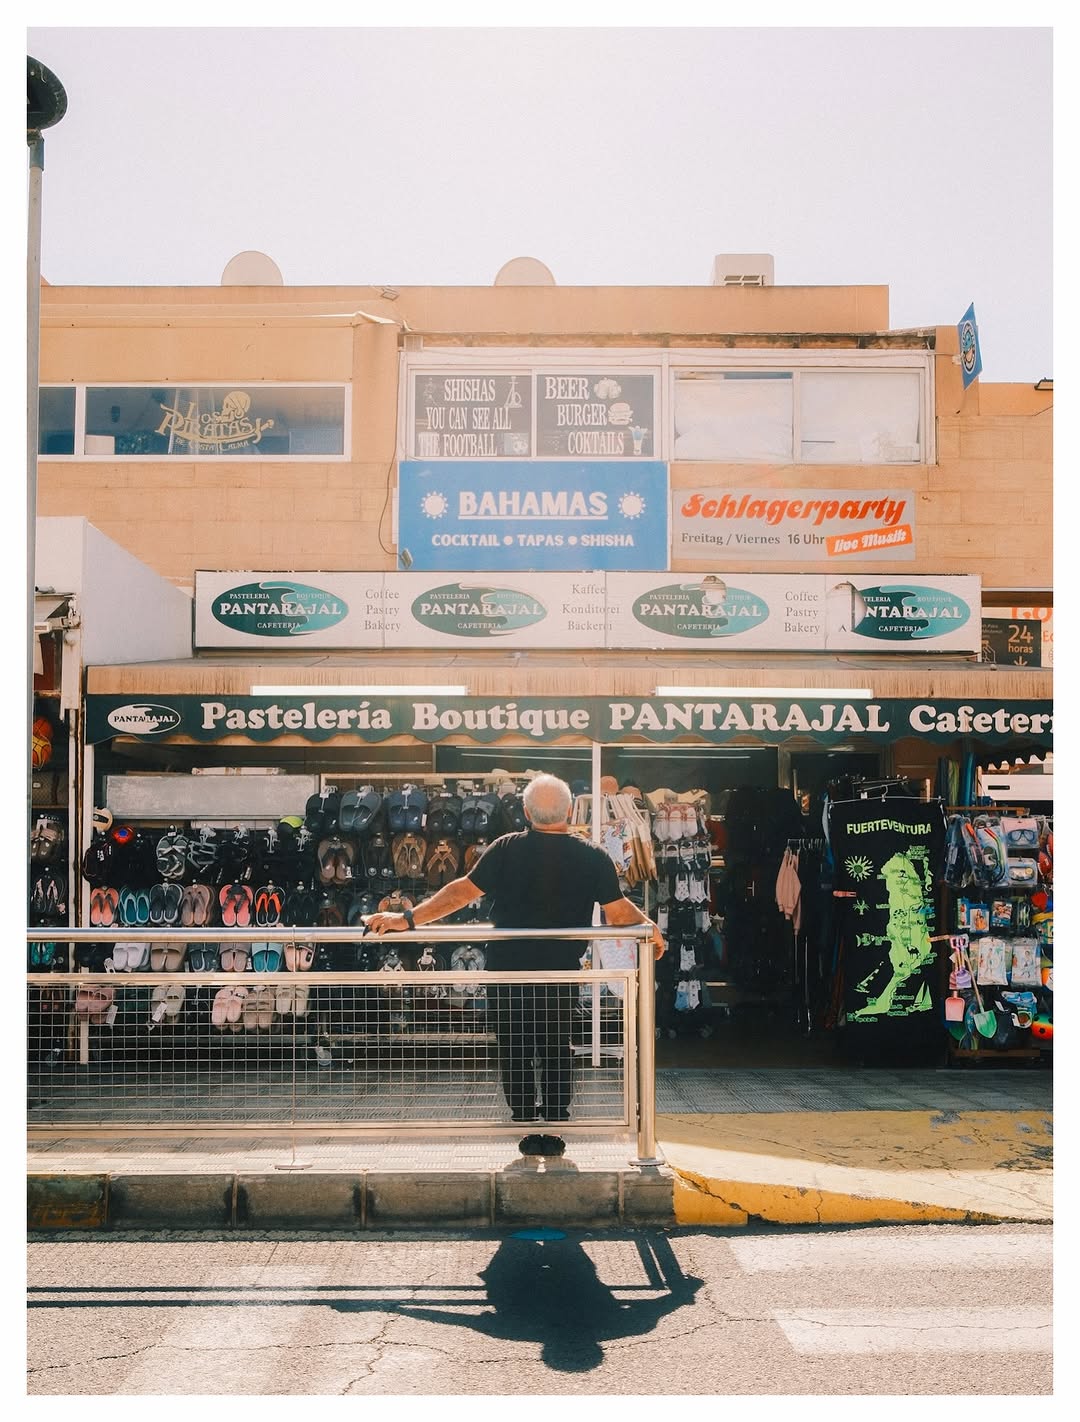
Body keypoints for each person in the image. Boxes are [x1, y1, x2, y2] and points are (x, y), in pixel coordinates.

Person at [367, 774, 665, 1123]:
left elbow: (460, 893)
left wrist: (407, 918)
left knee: (514, 1044)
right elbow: (618, 913)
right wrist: (650, 927)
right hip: (560, 970)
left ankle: (523, 1115)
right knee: (557, 1045)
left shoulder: (506, 848)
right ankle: (556, 1116)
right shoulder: (592, 855)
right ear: (570, 811)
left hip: (508, 968)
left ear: (525, 811)